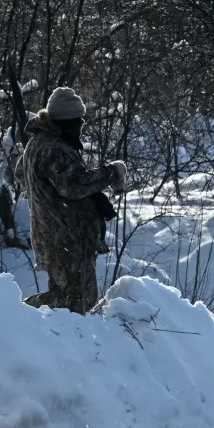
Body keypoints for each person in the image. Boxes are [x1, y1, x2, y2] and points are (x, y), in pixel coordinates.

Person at [18, 87, 127, 313]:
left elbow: (21, 172)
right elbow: (74, 185)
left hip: (59, 235)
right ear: (65, 121)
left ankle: (32, 322)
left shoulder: (39, 143)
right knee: (74, 301)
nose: (80, 126)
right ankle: (17, 311)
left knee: (72, 297)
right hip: (64, 238)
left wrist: (46, 200)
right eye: (78, 121)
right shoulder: (53, 148)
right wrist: (111, 172)